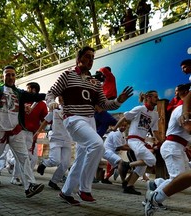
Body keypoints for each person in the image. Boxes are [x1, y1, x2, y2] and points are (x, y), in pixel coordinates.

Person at [45, 46, 133, 205]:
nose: (90, 60)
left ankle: (66, 192)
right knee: (97, 144)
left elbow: (105, 104)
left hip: (90, 121)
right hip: (73, 118)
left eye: (92, 57)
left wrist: (119, 100)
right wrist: (51, 102)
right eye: (87, 56)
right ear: (78, 59)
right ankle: (85, 189)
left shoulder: (95, 83)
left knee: (82, 157)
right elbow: (51, 93)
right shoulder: (67, 75)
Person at [0, 65, 46, 198]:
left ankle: (30, 186)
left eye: (13, 75)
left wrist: (53, 94)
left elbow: (37, 97)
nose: (10, 77)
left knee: (24, 158)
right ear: (3, 77)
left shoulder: (20, 93)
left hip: (16, 132)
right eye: (8, 75)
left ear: (15, 77)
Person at [144, 60, 191, 215]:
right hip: (172, 147)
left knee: (182, 179)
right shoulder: (180, 110)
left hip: (178, 147)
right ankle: (153, 199)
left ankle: (155, 185)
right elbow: (188, 128)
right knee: (178, 179)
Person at [113, 90, 163, 195]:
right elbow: (125, 117)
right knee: (152, 160)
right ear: (148, 98)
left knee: (142, 166)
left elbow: (155, 131)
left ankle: (128, 185)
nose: (157, 98)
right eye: (155, 96)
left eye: (157, 96)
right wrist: (115, 128)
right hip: (133, 140)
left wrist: (164, 141)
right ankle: (127, 165)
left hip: (141, 141)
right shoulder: (140, 109)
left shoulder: (155, 115)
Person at [35, 96, 73, 191]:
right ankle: (43, 164)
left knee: (65, 164)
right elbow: (46, 121)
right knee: (55, 160)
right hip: (56, 138)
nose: (63, 100)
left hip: (67, 139)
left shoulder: (73, 111)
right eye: (61, 98)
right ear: (59, 100)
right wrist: (38, 131)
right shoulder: (55, 110)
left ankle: (54, 181)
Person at [23, 82, 48, 170]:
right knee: (23, 156)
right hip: (20, 131)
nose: (26, 91)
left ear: (33, 90)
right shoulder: (23, 100)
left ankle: (22, 176)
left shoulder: (42, 104)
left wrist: (39, 132)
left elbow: (45, 120)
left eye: (27, 89)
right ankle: (18, 177)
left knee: (31, 157)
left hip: (32, 134)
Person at [101, 120, 131, 184]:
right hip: (107, 151)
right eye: (121, 125)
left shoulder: (122, 133)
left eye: (125, 126)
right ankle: (124, 181)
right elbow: (119, 147)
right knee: (121, 162)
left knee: (116, 166)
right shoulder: (116, 133)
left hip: (111, 152)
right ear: (118, 125)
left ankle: (106, 178)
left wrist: (132, 146)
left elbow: (124, 144)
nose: (123, 127)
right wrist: (132, 149)